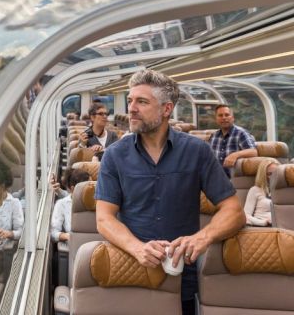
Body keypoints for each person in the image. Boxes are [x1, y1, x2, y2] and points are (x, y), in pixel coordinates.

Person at [95, 69, 245, 315]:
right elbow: (104, 218)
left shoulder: (197, 151)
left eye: (142, 102)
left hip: (183, 275)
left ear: (166, 109)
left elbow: (234, 211)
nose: (131, 108)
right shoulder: (114, 155)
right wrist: (137, 248)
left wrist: (202, 238)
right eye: (130, 100)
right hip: (131, 272)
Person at [209, 104, 257, 177]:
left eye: (227, 115)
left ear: (233, 118)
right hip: (216, 177)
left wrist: (235, 155)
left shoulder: (241, 133)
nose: (224, 118)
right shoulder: (214, 136)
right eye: (220, 115)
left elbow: (253, 152)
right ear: (216, 119)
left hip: (235, 179)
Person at [50, 168, 91, 242]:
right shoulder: (62, 204)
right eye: (88, 187)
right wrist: (68, 236)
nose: (92, 189)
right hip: (76, 244)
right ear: (73, 189)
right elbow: (53, 233)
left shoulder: (98, 202)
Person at [0, 162, 24, 252]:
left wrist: (8, 234)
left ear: (2, 186)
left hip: (4, 251)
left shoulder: (14, 203)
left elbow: (20, 231)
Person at [244, 157, 279, 226]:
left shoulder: (284, 191)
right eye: (269, 174)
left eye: (276, 173)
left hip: (281, 227)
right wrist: (263, 223)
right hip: (261, 226)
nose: (273, 177)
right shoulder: (255, 190)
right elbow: (245, 215)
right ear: (263, 175)